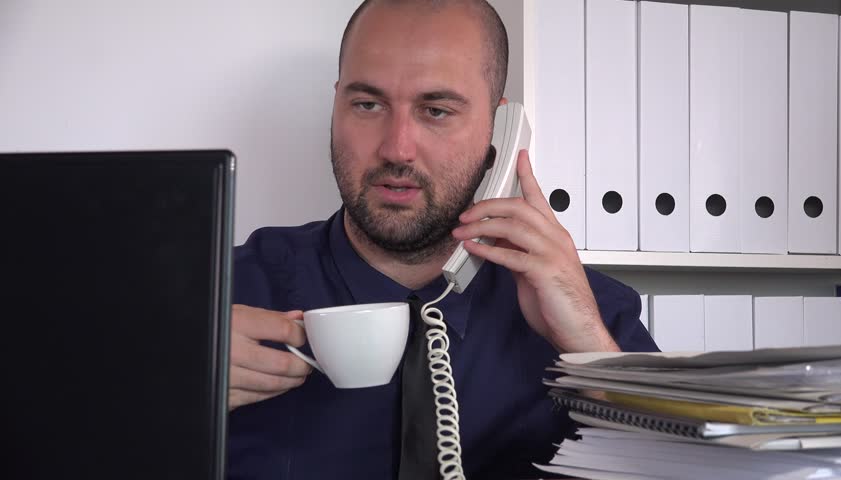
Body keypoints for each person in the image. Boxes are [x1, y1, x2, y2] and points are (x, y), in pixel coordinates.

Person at [227, 0, 658, 478]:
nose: (397, 148)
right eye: (367, 104)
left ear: (500, 127)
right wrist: (168, 388)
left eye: (435, 110)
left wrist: (588, 351)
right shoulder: (219, 299)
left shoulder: (594, 313)